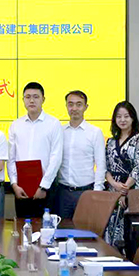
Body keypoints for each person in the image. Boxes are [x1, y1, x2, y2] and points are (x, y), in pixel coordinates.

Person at [8, 82, 63, 218]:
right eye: (27, 97)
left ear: (43, 99)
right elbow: (11, 158)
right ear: (23, 100)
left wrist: (44, 186)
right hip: (21, 188)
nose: (31, 100)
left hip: (46, 188)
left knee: (45, 227)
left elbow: (56, 157)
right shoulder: (16, 125)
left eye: (36, 97)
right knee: (22, 227)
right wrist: (14, 184)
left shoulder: (53, 123)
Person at [54, 90, 106, 218]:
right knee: (63, 228)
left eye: (79, 104)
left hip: (86, 192)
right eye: (70, 104)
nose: (74, 108)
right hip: (62, 193)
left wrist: (97, 192)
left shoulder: (95, 132)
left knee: (84, 229)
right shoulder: (59, 131)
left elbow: (101, 165)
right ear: (66, 106)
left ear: (86, 107)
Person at [104, 101, 139, 248]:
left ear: (133, 118)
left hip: (131, 189)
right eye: (119, 116)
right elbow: (106, 167)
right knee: (111, 227)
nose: (122, 120)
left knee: (129, 231)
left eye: (126, 116)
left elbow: (138, 167)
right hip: (112, 189)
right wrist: (113, 184)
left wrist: (124, 190)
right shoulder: (111, 141)